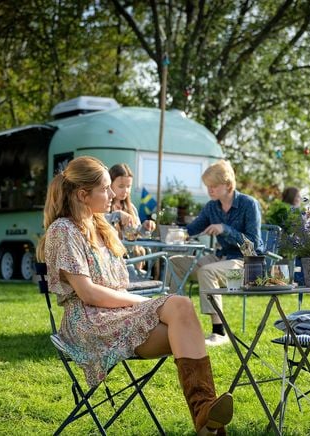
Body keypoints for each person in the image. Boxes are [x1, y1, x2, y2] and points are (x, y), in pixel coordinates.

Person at [36, 156, 233, 435]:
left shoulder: (100, 226)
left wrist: (146, 304)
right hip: (89, 323)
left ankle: (205, 417)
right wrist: (147, 304)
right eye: (105, 188)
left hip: (117, 316)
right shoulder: (63, 231)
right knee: (182, 314)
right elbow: (88, 293)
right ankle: (207, 421)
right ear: (83, 194)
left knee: (183, 313)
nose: (113, 194)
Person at [169, 160, 264, 346]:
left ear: (228, 185)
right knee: (174, 262)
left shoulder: (249, 204)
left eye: (213, 186)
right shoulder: (212, 207)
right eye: (208, 186)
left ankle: (219, 332)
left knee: (207, 271)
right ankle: (173, 320)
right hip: (221, 258)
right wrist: (173, 233)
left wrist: (225, 229)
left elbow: (254, 244)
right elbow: (192, 229)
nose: (209, 190)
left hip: (246, 264)